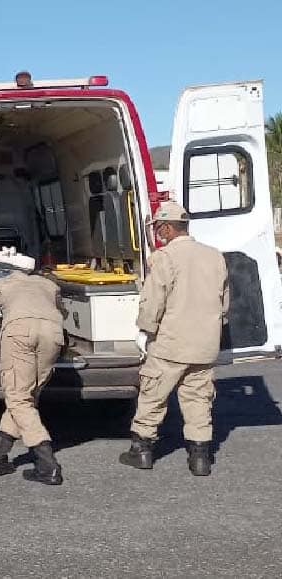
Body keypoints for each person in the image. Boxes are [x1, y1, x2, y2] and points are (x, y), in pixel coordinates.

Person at [120, 202, 228, 476]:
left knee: (153, 395)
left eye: (158, 227)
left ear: (167, 227)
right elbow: (224, 303)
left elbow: (154, 300)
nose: (157, 233)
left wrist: (144, 330)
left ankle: (142, 451)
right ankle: (200, 458)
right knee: (198, 399)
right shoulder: (215, 256)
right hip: (204, 345)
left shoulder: (164, 257)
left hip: (171, 342)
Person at [0, 262, 67, 485]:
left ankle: (48, 464)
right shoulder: (48, 284)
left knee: (17, 397)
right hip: (52, 333)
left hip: (19, 332)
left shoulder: (1, 283)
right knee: (26, 396)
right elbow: (62, 311)